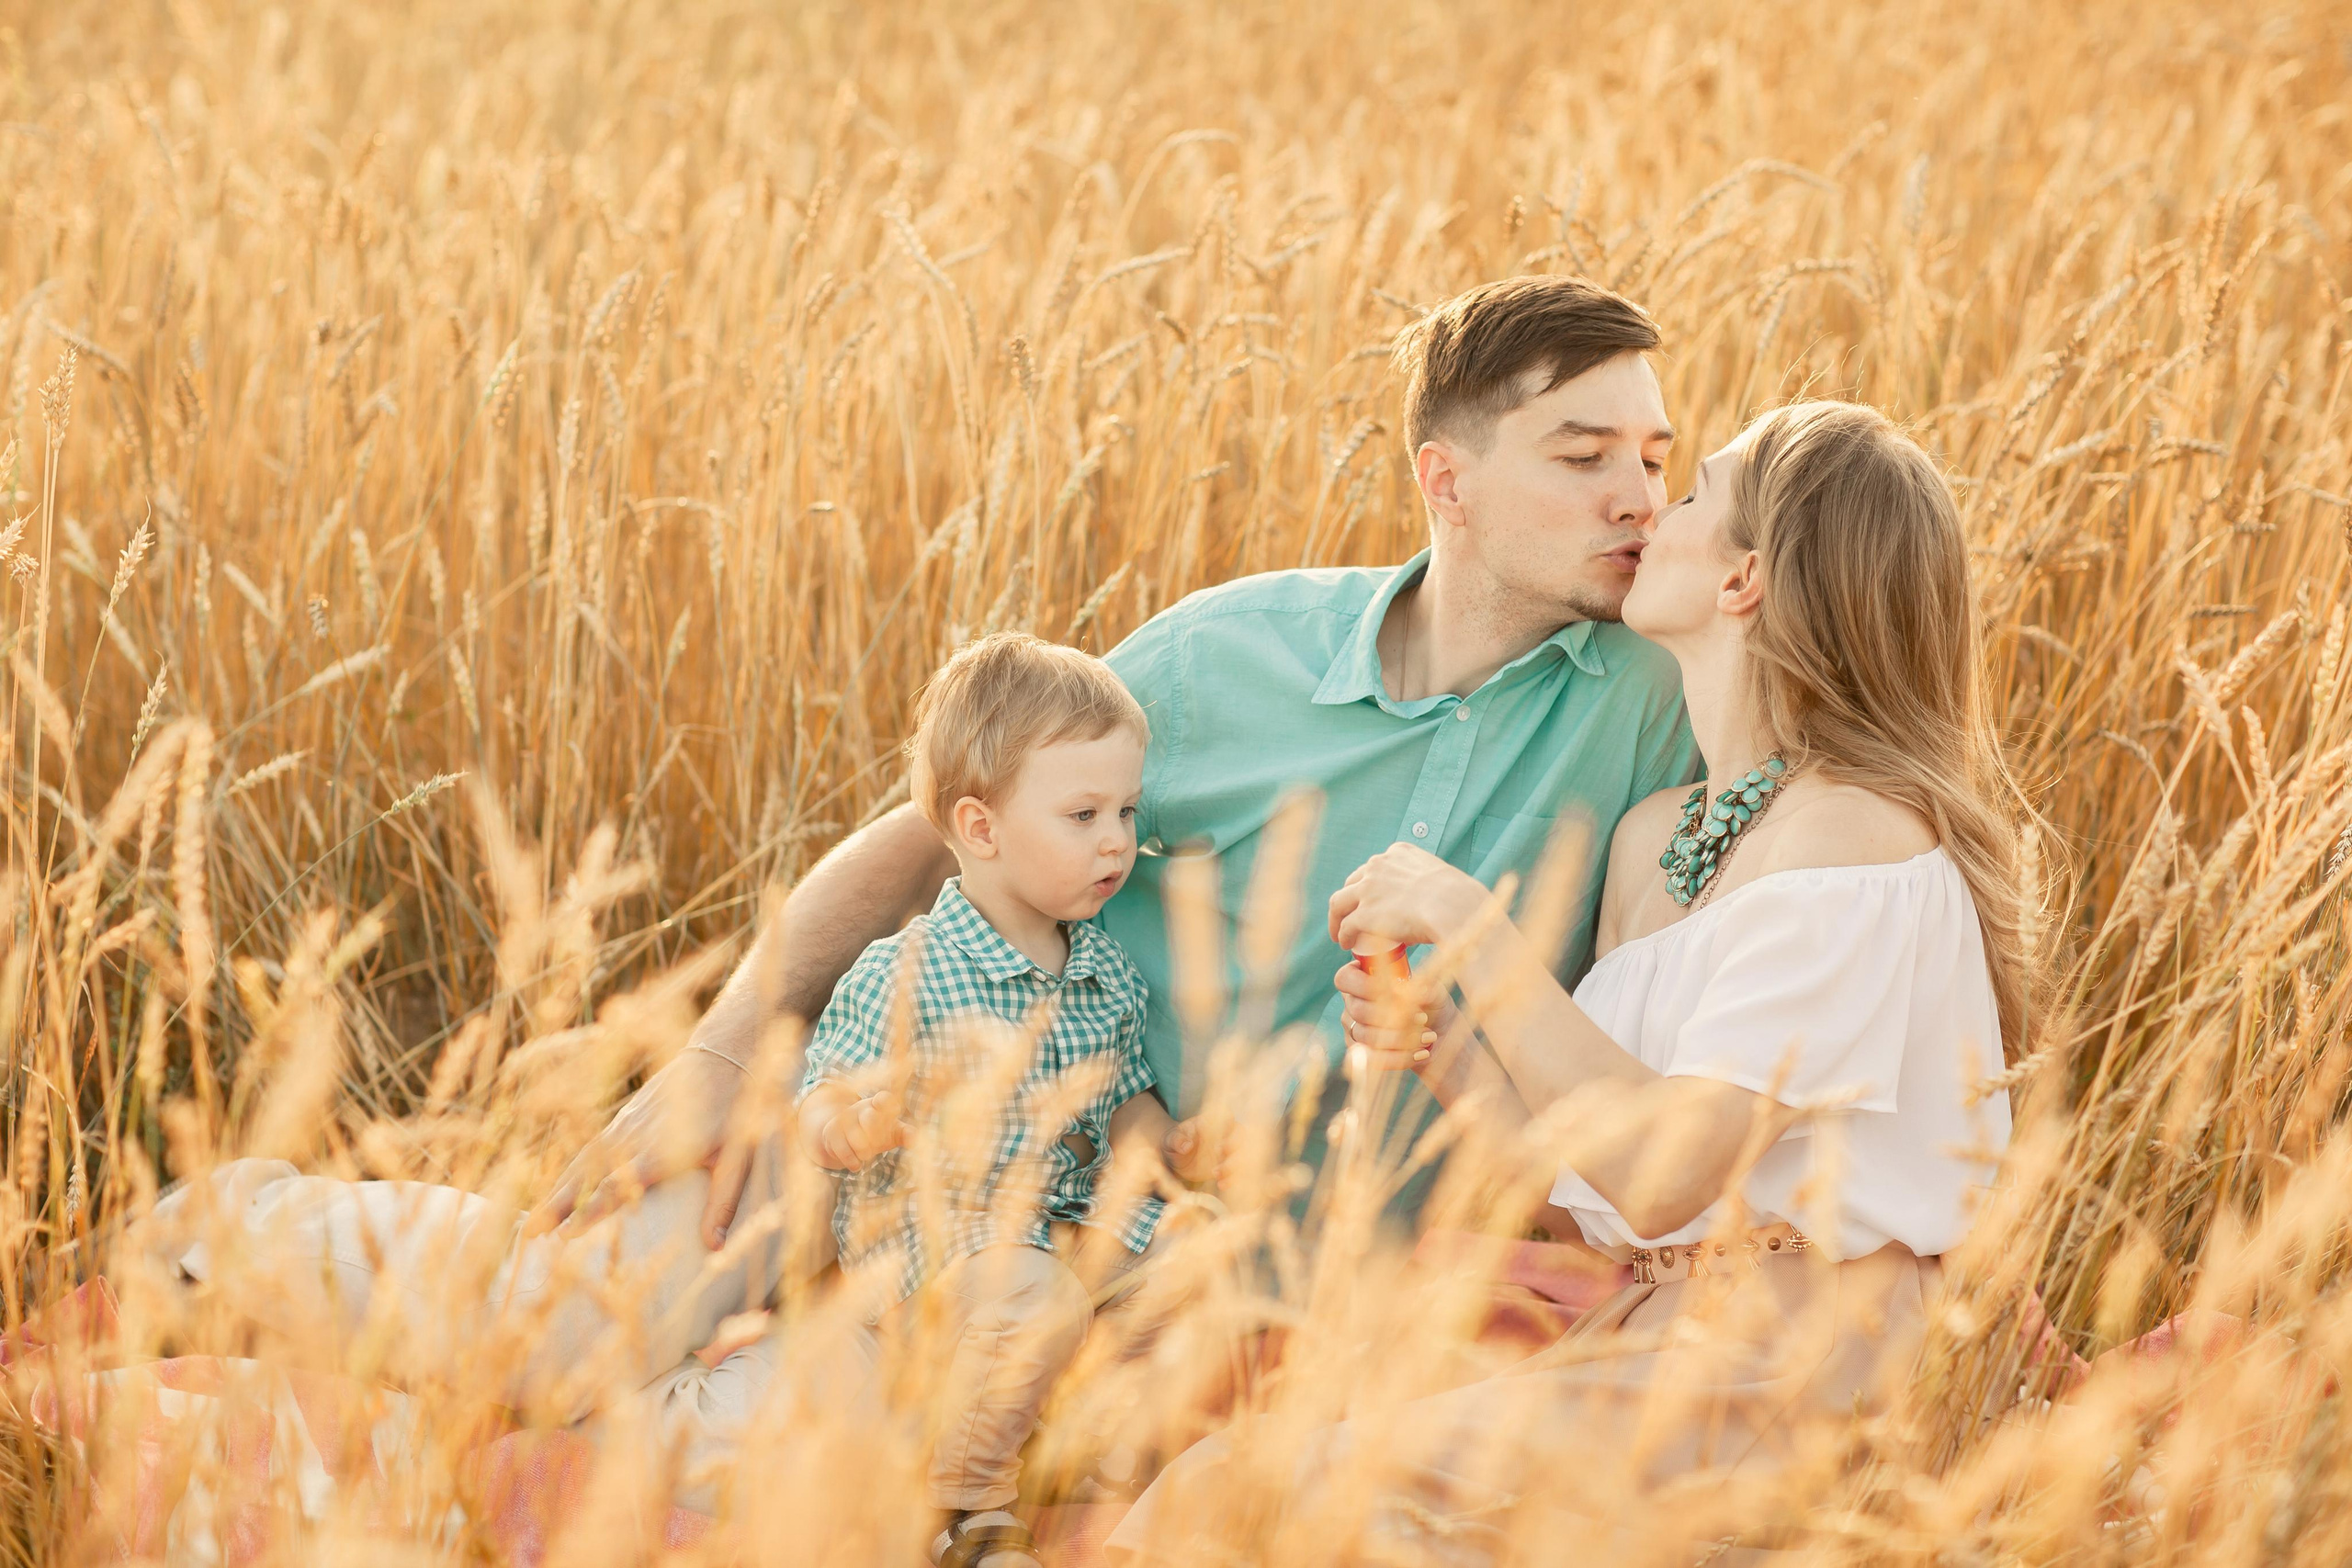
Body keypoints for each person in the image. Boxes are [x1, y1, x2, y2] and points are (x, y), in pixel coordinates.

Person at [532, 272, 1698, 1254]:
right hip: (960, 1185)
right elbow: (936, 838)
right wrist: (721, 1056)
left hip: (1261, 1302)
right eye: (1584, 458)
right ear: (1445, 481)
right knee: (554, 1315)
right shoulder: (1221, 657)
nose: (1638, 501)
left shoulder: (1666, 703)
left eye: (1655, 461)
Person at [1104, 400, 2032, 1565]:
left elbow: (1663, 1171)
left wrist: (1475, 933)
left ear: (1742, 579)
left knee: (1247, 1496)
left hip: (1802, 1363)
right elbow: (1581, 1196)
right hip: (1650, 1328)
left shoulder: (1853, 837)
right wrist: (1440, 1041)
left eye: (1685, 492)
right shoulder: (1655, 840)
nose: (1647, 508)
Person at [792, 632, 1188, 1568]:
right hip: (942, 1240)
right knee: (1032, 1299)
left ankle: (1073, 1440)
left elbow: (1121, 1097)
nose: (1116, 840)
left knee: (1196, 1263)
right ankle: (964, 1506)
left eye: (1126, 810)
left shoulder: (1105, 970)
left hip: (1063, 1223)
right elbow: (821, 1095)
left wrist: (1171, 1149)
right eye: (1084, 814)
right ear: (981, 828)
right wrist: (851, 1126)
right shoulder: (908, 970)